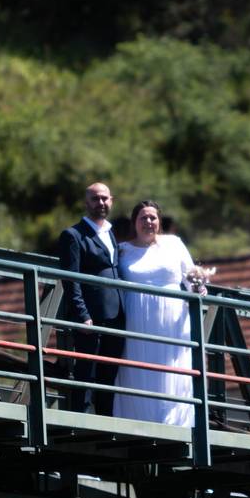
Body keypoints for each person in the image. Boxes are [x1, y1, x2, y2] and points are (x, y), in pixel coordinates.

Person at [113, 200, 198, 426]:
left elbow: (192, 282)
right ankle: (136, 423)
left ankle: (175, 423)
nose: (148, 222)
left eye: (152, 217)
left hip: (172, 322)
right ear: (135, 223)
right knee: (137, 367)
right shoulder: (122, 250)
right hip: (136, 322)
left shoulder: (174, 244)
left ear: (159, 222)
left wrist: (200, 285)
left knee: (172, 368)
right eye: (143, 218)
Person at [58, 182, 125, 415]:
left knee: (109, 372)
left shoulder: (110, 232)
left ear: (112, 201)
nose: (101, 203)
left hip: (116, 315)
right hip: (92, 317)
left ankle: (106, 419)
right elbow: (70, 279)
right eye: (96, 199)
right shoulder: (73, 235)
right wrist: (82, 315)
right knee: (87, 371)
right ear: (87, 203)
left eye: (105, 198)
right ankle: (82, 419)